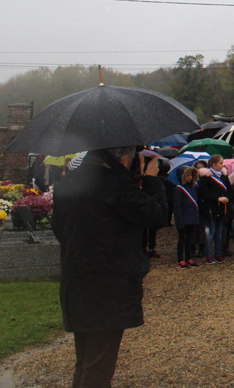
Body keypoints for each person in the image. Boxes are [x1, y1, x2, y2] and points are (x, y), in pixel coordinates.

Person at [52, 147, 167, 388]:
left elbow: (59, 230)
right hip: (108, 285)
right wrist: (152, 181)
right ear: (124, 158)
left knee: (85, 361)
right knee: (99, 368)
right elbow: (157, 216)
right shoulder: (115, 184)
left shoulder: (68, 183)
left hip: (76, 280)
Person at [200, 154, 232, 265]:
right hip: (210, 208)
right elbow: (204, 194)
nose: (223, 165)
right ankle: (209, 255)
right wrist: (217, 198)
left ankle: (219, 254)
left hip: (222, 208)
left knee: (219, 233)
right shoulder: (205, 177)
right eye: (220, 163)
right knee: (210, 233)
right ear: (213, 164)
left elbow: (229, 190)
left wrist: (227, 197)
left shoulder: (224, 176)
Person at [173, 167, 201, 269]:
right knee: (182, 239)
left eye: (191, 175)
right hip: (183, 218)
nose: (190, 177)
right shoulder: (179, 189)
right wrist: (179, 221)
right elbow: (177, 207)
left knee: (190, 240)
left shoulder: (194, 187)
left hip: (192, 217)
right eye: (187, 175)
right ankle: (180, 259)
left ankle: (188, 257)